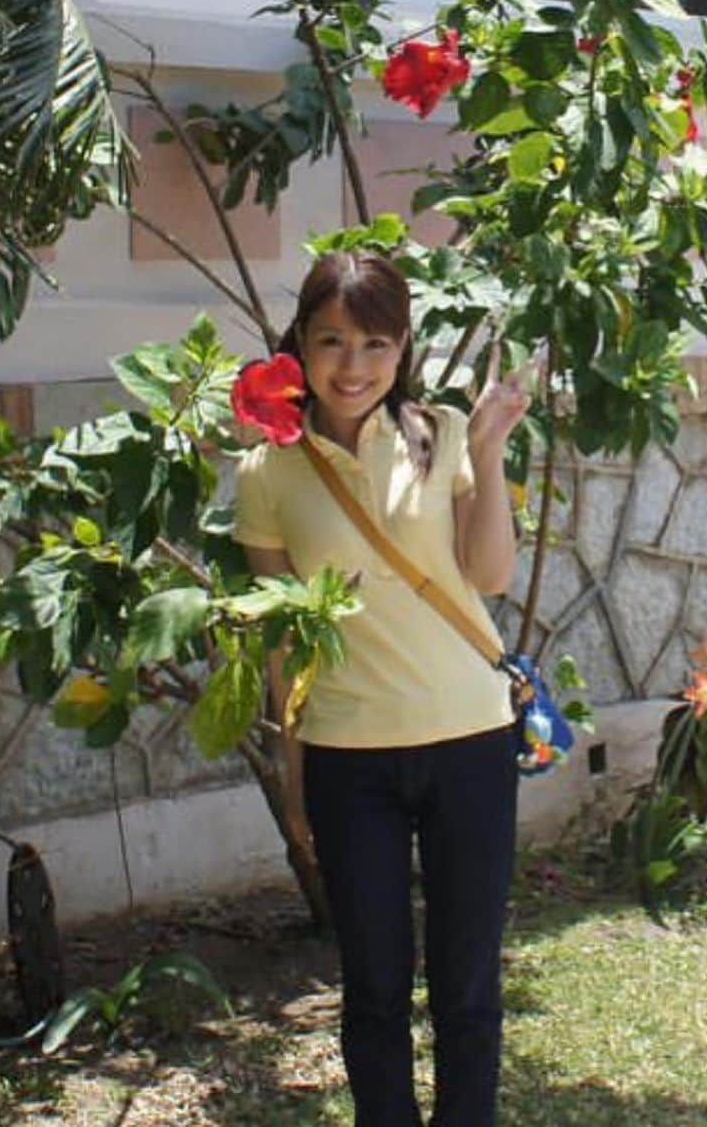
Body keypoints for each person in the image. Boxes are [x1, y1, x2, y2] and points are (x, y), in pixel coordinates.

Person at [232, 250, 530, 1127]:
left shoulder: (440, 433)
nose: (351, 366)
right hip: (347, 758)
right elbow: (285, 640)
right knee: (372, 988)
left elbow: (489, 573)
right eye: (330, 341)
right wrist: (294, 780)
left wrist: (488, 449)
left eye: (374, 343)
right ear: (301, 345)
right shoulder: (268, 472)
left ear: (402, 349)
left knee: (468, 982)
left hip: (469, 742)